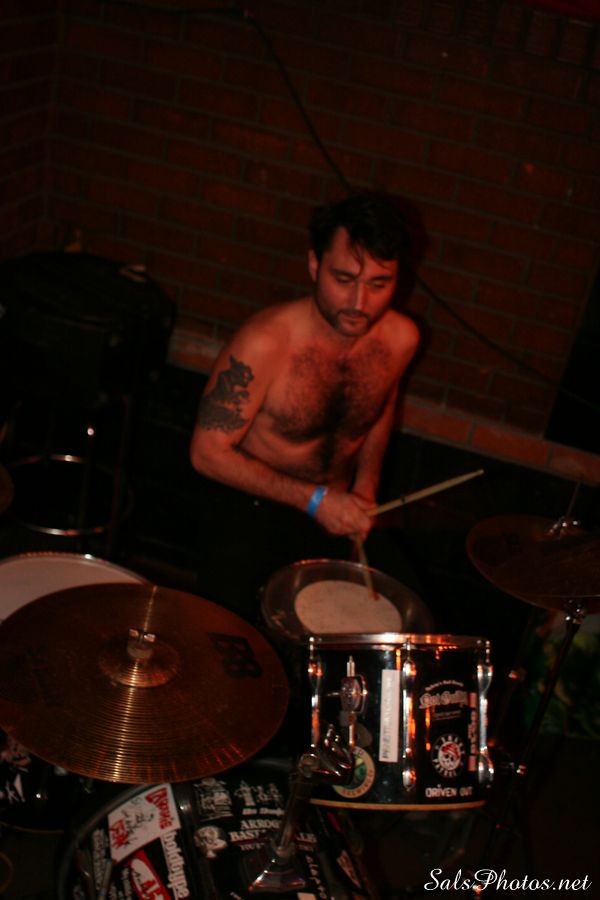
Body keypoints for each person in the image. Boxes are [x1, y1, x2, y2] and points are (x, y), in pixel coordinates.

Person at [189, 191, 421, 621]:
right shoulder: (266, 342)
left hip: (335, 510)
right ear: (315, 265)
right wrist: (315, 500)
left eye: (378, 284)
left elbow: (378, 411)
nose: (359, 304)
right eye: (344, 279)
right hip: (251, 508)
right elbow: (206, 453)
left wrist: (366, 489)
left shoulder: (401, 339)